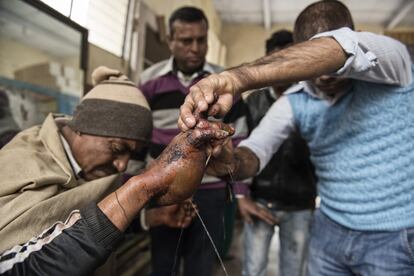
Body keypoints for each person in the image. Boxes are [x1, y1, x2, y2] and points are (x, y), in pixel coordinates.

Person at [179, 0, 414, 275]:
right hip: (329, 231)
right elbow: (255, 152)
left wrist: (236, 78)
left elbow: (339, 48)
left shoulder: (393, 64)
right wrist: (230, 161)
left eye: (322, 55)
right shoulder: (296, 101)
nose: (325, 74)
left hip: (395, 236)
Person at [0, 66, 230, 274]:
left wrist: (149, 218)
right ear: (83, 127)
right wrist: (142, 188)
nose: (122, 165)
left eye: (132, 154)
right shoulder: (22, 164)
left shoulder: (97, 175)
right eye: (118, 148)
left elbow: (91, 220)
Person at [139, 6, 249, 276]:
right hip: (162, 188)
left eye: (201, 40)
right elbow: (139, 138)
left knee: (200, 265)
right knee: (164, 264)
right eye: (187, 41)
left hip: (210, 191)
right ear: (170, 40)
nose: (196, 48)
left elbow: (243, 139)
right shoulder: (149, 82)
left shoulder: (225, 84)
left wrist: (241, 193)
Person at [237, 30, 316, 276]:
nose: (282, 67)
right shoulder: (253, 101)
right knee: (253, 269)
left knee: (295, 271)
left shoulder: (311, 100)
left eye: (288, 59)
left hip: (301, 204)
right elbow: (241, 149)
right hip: (261, 201)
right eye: (275, 59)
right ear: (267, 62)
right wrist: (242, 198)